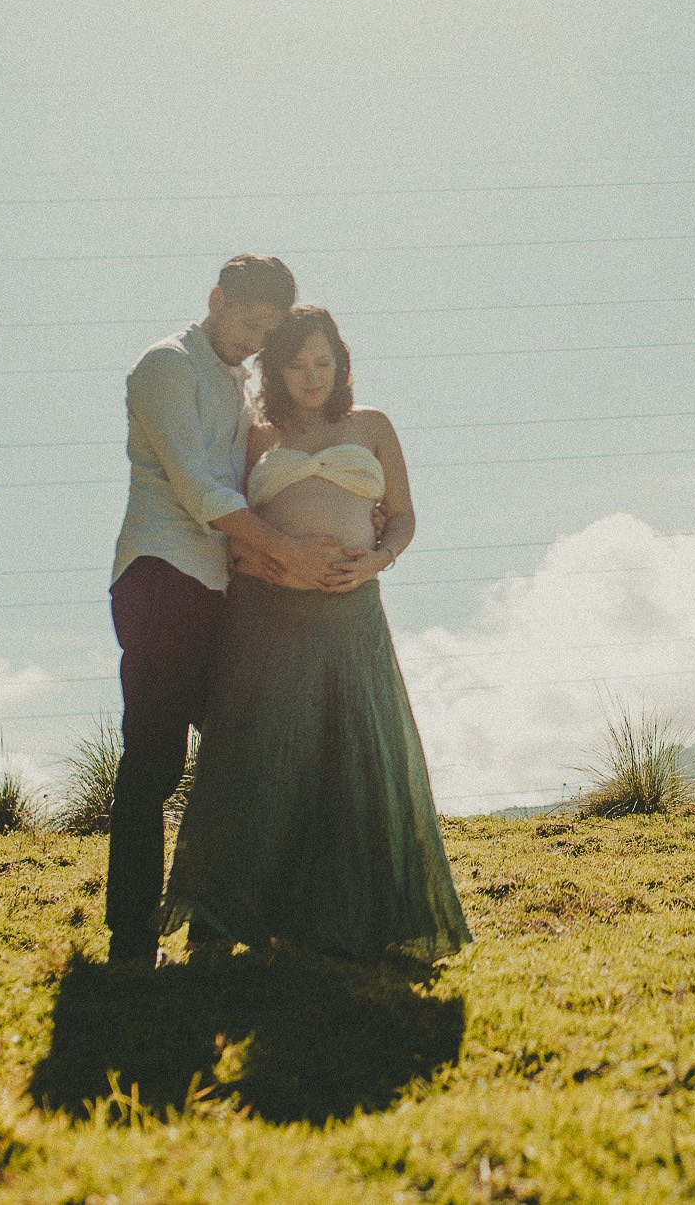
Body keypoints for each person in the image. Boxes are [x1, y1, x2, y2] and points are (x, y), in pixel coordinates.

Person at [161, 305, 471, 963]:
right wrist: (268, 560)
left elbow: (406, 517)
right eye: (297, 365)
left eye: (322, 363)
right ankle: (221, 924)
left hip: (353, 615)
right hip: (267, 617)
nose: (311, 376)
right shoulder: (257, 436)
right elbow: (230, 522)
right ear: (276, 369)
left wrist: (378, 559)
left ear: (341, 364)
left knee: (356, 757)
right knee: (257, 760)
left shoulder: (373, 426)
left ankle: (356, 920)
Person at [106, 254, 349, 966]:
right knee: (153, 762)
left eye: (268, 328)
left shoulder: (244, 387)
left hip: (221, 588)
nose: (254, 337)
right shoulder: (164, 367)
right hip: (160, 578)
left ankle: (219, 925)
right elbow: (201, 490)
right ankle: (132, 940)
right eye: (248, 319)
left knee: (244, 754)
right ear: (216, 299)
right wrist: (284, 551)